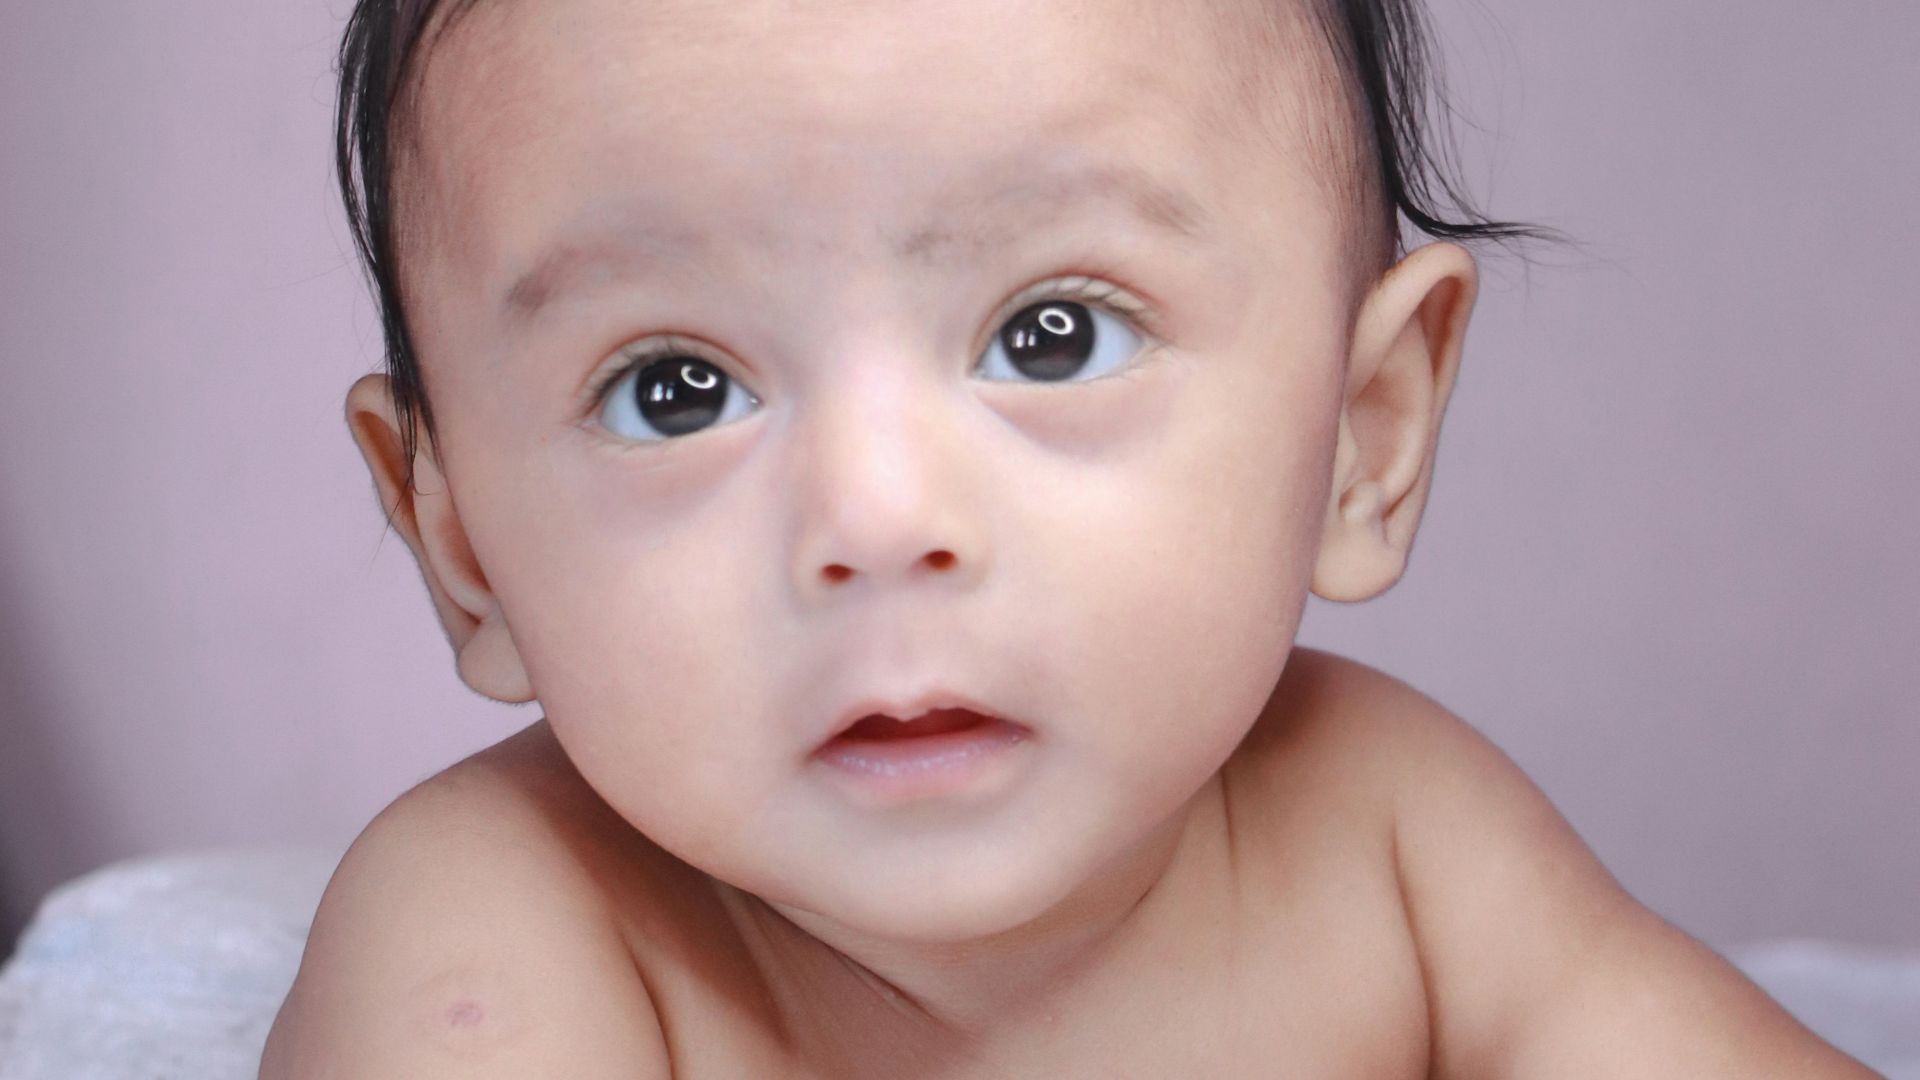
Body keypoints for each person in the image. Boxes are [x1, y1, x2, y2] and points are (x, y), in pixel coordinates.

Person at [261, 0, 1879, 1074]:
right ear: (461, 544)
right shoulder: (500, 927)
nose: (881, 522)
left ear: (1362, 437)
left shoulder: (1394, 840)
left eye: (1053, 337)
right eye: (675, 390)